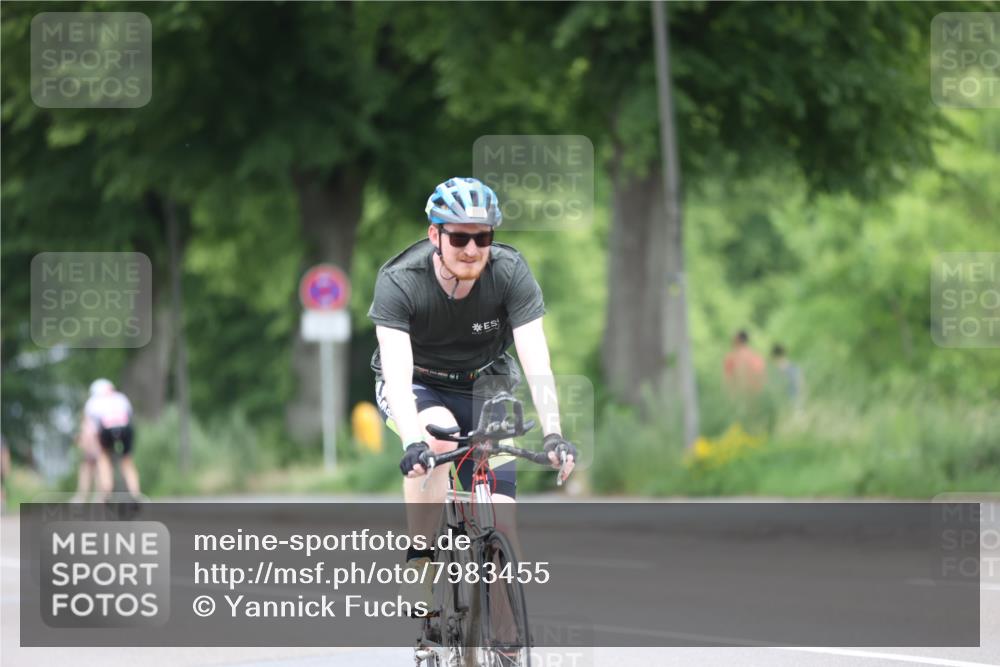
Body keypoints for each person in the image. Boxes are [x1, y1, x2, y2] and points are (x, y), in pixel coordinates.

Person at [367, 177, 578, 616]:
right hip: (418, 381)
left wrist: (555, 433)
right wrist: (413, 442)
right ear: (435, 236)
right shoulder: (400, 280)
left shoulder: (508, 272)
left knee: (503, 522)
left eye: (481, 237)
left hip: (487, 380)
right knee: (438, 442)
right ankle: (420, 564)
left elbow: (536, 358)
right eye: (459, 237)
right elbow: (396, 367)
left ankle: (503, 642)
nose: (470, 248)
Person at [83, 379, 141, 502]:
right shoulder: (121, 397)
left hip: (106, 428)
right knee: (127, 461)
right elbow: (130, 416)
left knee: (103, 458)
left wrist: (92, 447)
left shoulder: (92, 402)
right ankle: (135, 494)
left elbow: (90, 430)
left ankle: (107, 493)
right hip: (125, 428)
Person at [71, 407, 102, 503]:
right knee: (86, 473)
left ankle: (98, 497)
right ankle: (83, 497)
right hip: (89, 453)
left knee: (97, 474)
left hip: (96, 452)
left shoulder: (94, 423)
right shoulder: (86, 424)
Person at [723, 330, 766, 397]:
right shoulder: (757, 357)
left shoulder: (731, 358)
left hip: (739, 395)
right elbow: (762, 378)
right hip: (756, 396)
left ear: (737, 340)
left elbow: (728, 381)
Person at [770, 344, 805, 409]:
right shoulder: (795, 367)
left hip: (788, 404)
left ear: (774, 357)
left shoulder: (775, 372)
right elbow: (801, 385)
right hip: (796, 403)